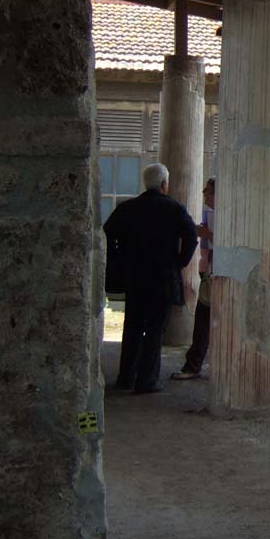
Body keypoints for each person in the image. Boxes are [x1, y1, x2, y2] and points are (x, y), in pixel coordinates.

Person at [104, 163, 197, 394]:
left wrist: (119, 259)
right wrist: (179, 262)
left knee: (133, 327)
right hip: (163, 278)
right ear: (165, 184)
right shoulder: (174, 208)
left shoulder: (128, 208)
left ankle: (126, 377)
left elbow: (107, 233)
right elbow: (192, 236)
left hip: (135, 277)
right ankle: (146, 381)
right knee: (155, 330)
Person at [171, 176, 215, 380]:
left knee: (204, 320)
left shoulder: (225, 214)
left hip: (217, 273)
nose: (204, 194)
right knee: (203, 320)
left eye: (207, 190)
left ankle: (194, 364)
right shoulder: (211, 212)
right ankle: (194, 364)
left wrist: (205, 232)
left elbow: (226, 240)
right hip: (208, 271)